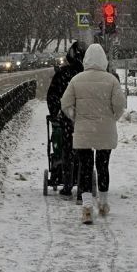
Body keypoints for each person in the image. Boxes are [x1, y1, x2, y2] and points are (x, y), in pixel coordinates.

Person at [61, 43, 126, 224]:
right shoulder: (112, 80)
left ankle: (87, 206)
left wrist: (76, 117)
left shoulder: (76, 80)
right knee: (103, 166)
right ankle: (103, 204)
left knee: (86, 167)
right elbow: (120, 105)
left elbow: (65, 104)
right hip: (105, 130)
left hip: (83, 130)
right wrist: (112, 117)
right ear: (104, 59)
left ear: (86, 60)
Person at [46, 41, 86, 196]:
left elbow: (53, 95)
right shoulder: (86, 76)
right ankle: (83, 182)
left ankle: (68, 182)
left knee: (67, 149)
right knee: (84, 152)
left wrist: (56, 112)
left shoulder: (63, 74)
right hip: (84, 119)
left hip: (66, 119)